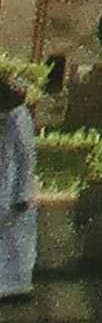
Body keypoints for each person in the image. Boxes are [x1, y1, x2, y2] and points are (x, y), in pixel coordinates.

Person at [0, 72, 37, 304]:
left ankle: (18, 286)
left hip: (15, 192)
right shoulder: (8, 116)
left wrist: (23, 192)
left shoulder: (19, 117)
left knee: (17, 240)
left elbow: (26, 157)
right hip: (6, 189)